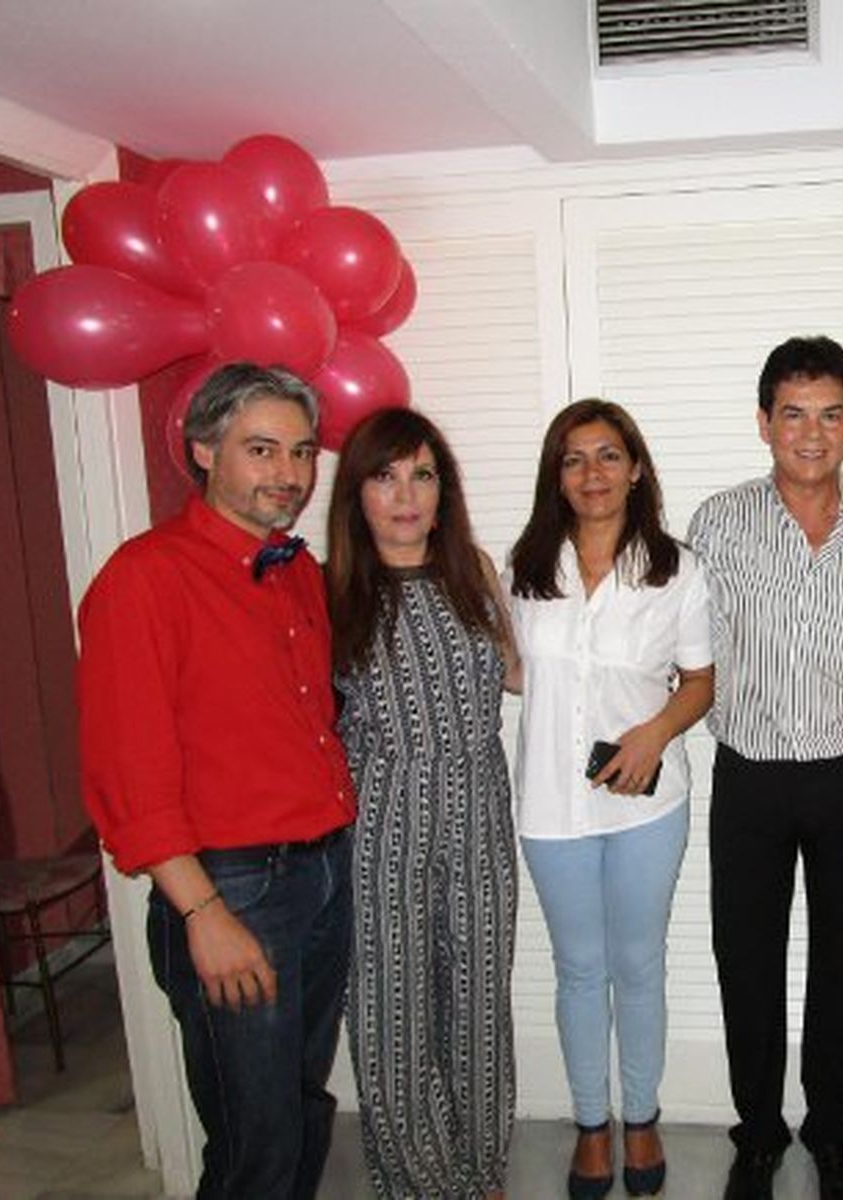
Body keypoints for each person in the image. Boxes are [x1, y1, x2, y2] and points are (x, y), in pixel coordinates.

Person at [77, 363, 355, 1199]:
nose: (290, 475)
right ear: (203, 452)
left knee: (303, 1106)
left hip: (321, 871)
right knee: (254, 1144)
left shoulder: (296, 570)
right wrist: (202, 912)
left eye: (302, 452)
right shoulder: (145, 578)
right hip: (232, 886)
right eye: (261, 450)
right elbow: (128, 768)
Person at [688, 335, 843, 1200]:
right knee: (746, 961)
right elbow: (678, 643)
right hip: (749, 776)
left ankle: (833, 1135)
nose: (812, 434)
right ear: (764, 423)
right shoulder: (718, 522)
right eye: (794, 414)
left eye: (830, 414)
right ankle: (757, 1133)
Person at [506, 399, 714, 1199]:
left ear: (635, 468)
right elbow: (514, 668)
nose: (591, 474)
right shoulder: (524, 568)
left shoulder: (674, 568)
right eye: (573, 459)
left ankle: (642, 1116)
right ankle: (592, 1124)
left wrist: (654, 731)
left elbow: (700, 682)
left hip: (645, 804)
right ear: (555, 476)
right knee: (578, 969)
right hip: (553, 805)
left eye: (607, 456)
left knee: (638, 964)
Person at [326, 407, 518, 1199]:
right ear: (357, 493)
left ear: (444, 491)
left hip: (480, 810)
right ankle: (421, 1181)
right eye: (385, 474)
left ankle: (480, 1169)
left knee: (478, 1002)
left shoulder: (472, 570)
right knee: (392, 1014)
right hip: (384, 821)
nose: (406, 494)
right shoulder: (329, 593)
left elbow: (519, 674)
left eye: (423, 474)